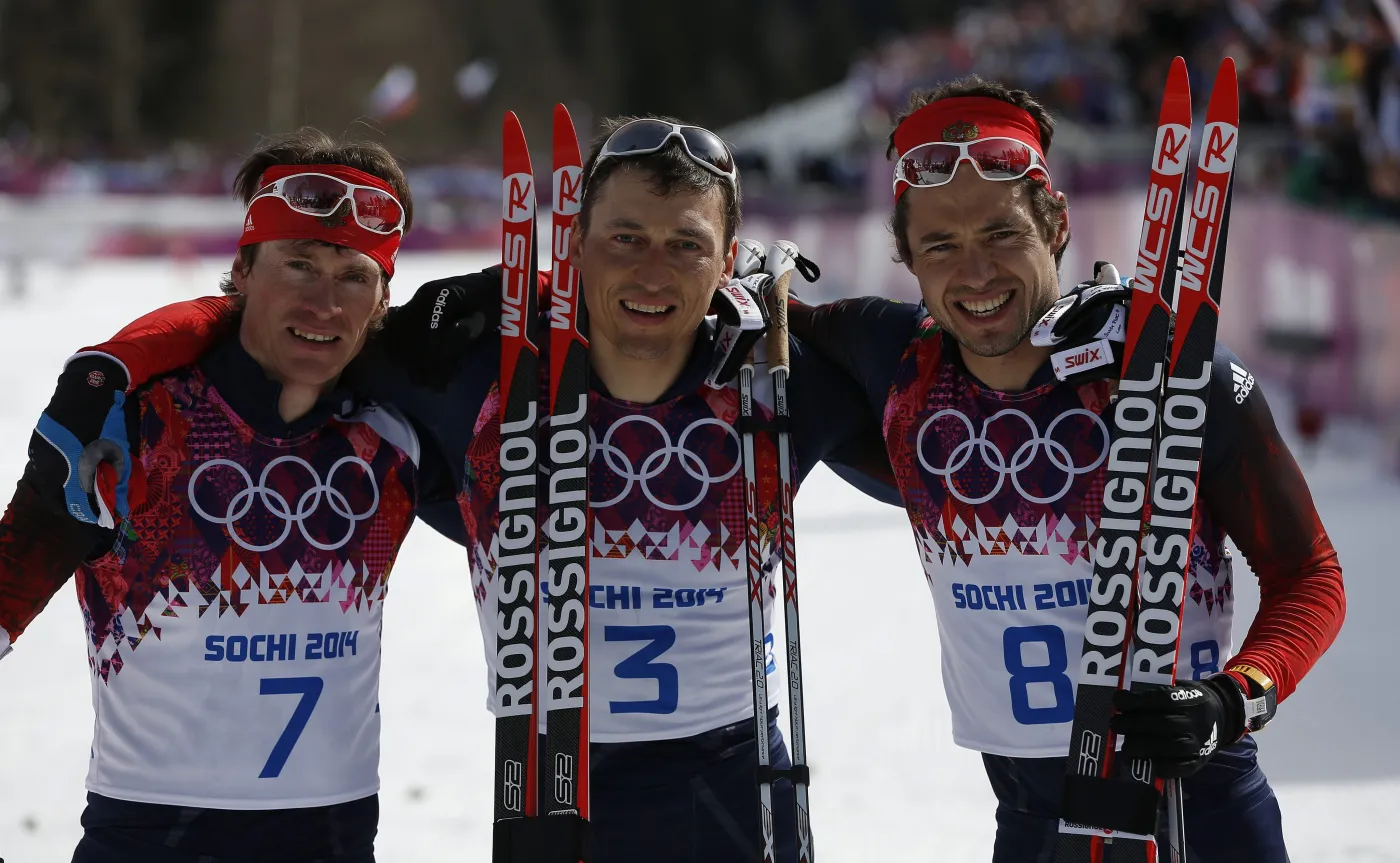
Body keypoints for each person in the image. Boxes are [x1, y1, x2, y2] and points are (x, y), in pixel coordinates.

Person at [32, 114, 898, 862]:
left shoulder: (782, 380)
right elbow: (272, 328)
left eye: (686, 245)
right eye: (624, 238)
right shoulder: (474, 373)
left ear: (727, 260)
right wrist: (114, 364)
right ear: (575, 244)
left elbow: (949, 393)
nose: (651, 271)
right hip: (552, 790)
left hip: (735, 790)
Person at [787, 76, 1346, 861]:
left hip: (1198, 814)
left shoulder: (1173, 374)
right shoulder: (890, 358)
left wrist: (1236, 695)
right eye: (941, 245)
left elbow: (1310, 575)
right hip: (1032, 823)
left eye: (1002, 233)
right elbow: (741, 316)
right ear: (905, 256)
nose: (975, 272)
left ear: (1055, 225)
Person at [0, 127, 466, 862]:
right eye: (298, 265)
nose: (324, 302)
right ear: (243, 270)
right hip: (149, 837)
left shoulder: (394, 438)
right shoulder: (132, 425)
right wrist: (109, 366)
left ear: (382, 299)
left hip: (333, 840)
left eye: (353, 276)